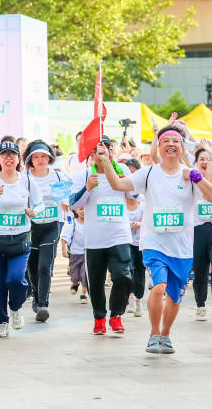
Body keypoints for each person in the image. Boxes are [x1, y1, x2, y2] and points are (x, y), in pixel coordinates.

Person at [100, 125, 212, 354]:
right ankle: (154, 334)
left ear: (182, 147)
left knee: (174, 297)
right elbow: (118, 184)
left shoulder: (189, 174)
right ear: (159, 146)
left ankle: (165, 335)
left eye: (175, 141)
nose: (171, 145)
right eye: (166, 141)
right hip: (154, 242)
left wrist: (195, 176)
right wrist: (105, 162)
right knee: (158, 286)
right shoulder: (149, 173)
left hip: (182, 246)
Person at [0, 140, 43, 338]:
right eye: (4, 154)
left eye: (12, 154)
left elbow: (40, 205)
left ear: (18, 159)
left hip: (21, 239)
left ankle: (15, 307)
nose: (8, 158)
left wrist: (34, 211)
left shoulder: (27, 181)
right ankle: (1, 321)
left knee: (15, 279)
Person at [69, 136, 133, 335]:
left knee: (123, 276)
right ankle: (99, 318)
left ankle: (116, 315)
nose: (103, 153)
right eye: (99, 150)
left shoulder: (123, 171)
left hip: (119, 236)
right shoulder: (84, 175)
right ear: (92, 154)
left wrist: (126, 184)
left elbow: (136, 198)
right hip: (95, 240)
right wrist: (87, 188)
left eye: (107, 149)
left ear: (112, 152)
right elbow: (73, 204)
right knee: (95, 282)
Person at [23, 139, 70, 322]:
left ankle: (43, 304)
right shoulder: (25, 178)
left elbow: (67, 198)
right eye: (36, 157)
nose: (40, 160)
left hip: (51, 225)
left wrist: (67, 203)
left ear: (50, 158)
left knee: (44, 266)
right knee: (32, 267)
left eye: (44, 156)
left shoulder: (58, 177)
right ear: (30, 159)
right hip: (30, 227)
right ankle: (35, 295)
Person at [191, 145, 212, 320]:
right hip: (197, 228)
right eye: (202, 159)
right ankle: (200, 305)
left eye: (208, 159)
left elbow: (211, 188)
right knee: (200, 269)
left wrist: (211, 162)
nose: (205, 162)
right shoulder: (191, 178)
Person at [60, 207, 88, 304]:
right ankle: (75, 283)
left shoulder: (91, 223)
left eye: (85, 208)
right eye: (80, 209)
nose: (83, 211)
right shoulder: (72, 222)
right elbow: (66, 234)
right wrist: (63, 248)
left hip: (87, 253)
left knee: (85, 274)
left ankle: (83, 294)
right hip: (75, 253)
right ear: (75, 210)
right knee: (74, 275)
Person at [126, 188, 145, 316]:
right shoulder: (121, 206)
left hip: (141, 244)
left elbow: (149, 221)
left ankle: (139, 300)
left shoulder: (143, 206)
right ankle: (131, 298)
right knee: (129, 270)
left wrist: (139, 224)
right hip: (126, 243)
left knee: (140, 271)